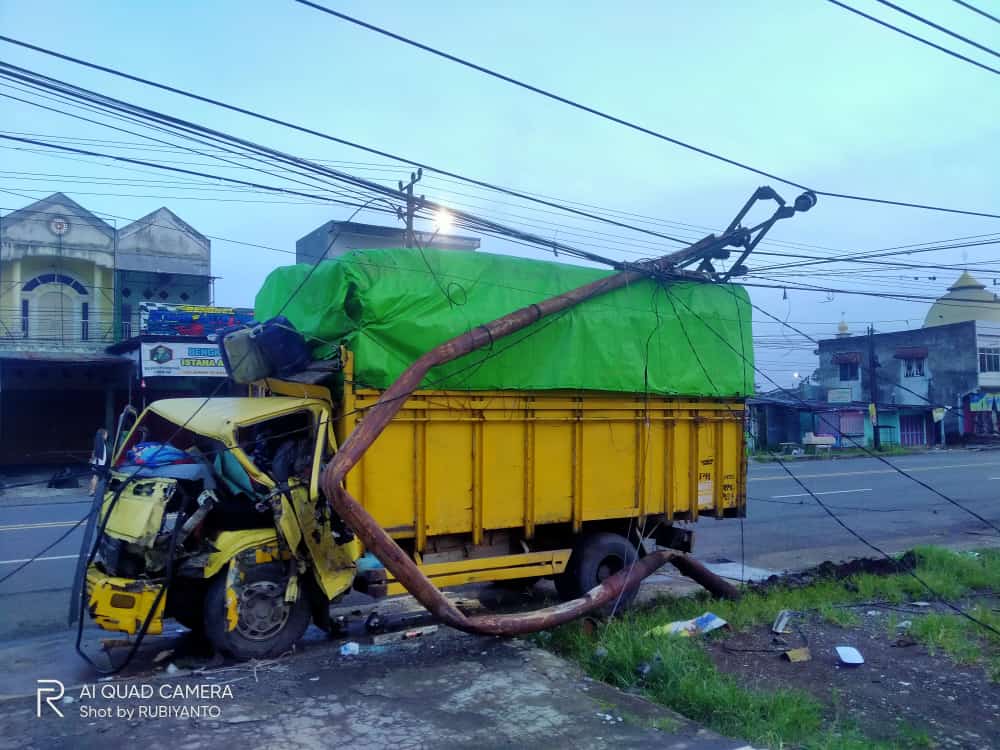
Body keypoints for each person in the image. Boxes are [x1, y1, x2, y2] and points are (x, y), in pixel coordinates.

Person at [89, 427, 110, 496]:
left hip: (96, 463)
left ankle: (92, 491)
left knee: (95, 477)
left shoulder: (97, 442)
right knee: (104, 477)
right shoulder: (102, 443)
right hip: (101, 464)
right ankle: (103, 490)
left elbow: (94, 453)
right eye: (106, 434)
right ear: (103, 435)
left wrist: (92, 460)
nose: (107, 436)